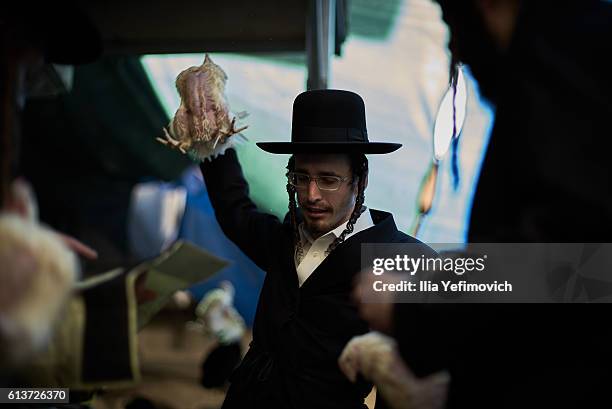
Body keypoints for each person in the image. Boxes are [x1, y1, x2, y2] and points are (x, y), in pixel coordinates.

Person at [350, 1, 612, 408]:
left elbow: (579, 266)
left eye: (449, 14)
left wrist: (416, 305)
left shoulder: (575, 57)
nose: (454, 43)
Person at [199, 89, 430, 409]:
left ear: (360, 180)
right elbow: (234, 211)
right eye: (301, 177)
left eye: (328, 179)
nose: (311, 194)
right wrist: (211, 139)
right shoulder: (285, 238)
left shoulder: (399, 258)